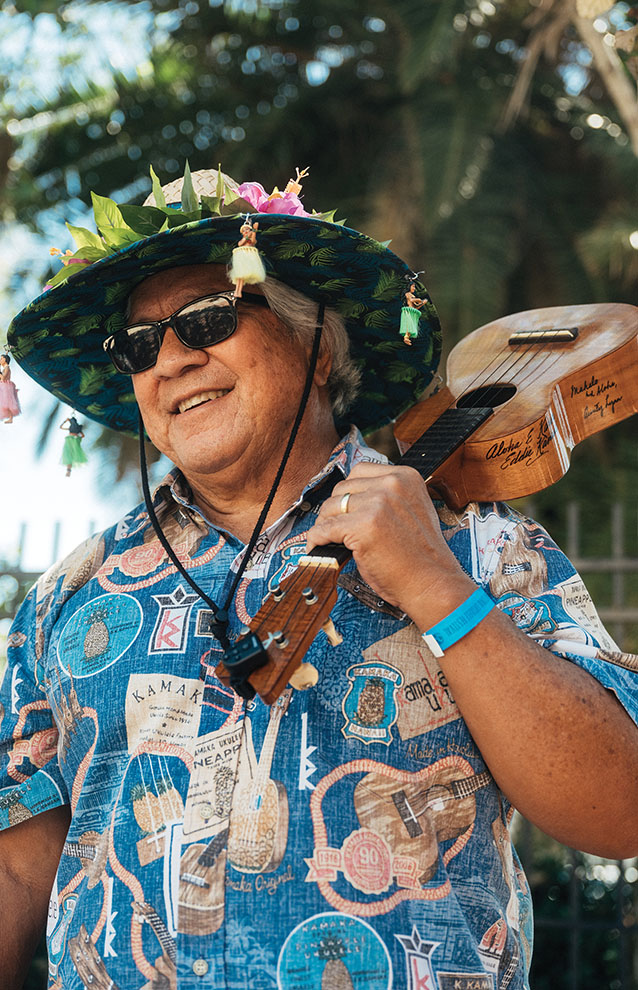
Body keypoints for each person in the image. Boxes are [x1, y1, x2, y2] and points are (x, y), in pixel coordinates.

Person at [1, 165, 637, 990]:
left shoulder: (475, 541)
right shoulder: (65, 598)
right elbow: (21, 874)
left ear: (318, 341)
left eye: (208, 317)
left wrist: (439, 592)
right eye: (140, 344)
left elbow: (619, 807)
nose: (171, 361)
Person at [0, 352, 21, 423]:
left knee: (8, 401)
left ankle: (10, 418)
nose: (0, 360)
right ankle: (10, 417)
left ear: (5, 360)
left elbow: (3, 378)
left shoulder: (7, 368)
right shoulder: (5, 368)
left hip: (6, 386)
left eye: (1, 359)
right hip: (4, 386)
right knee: (6, 402)